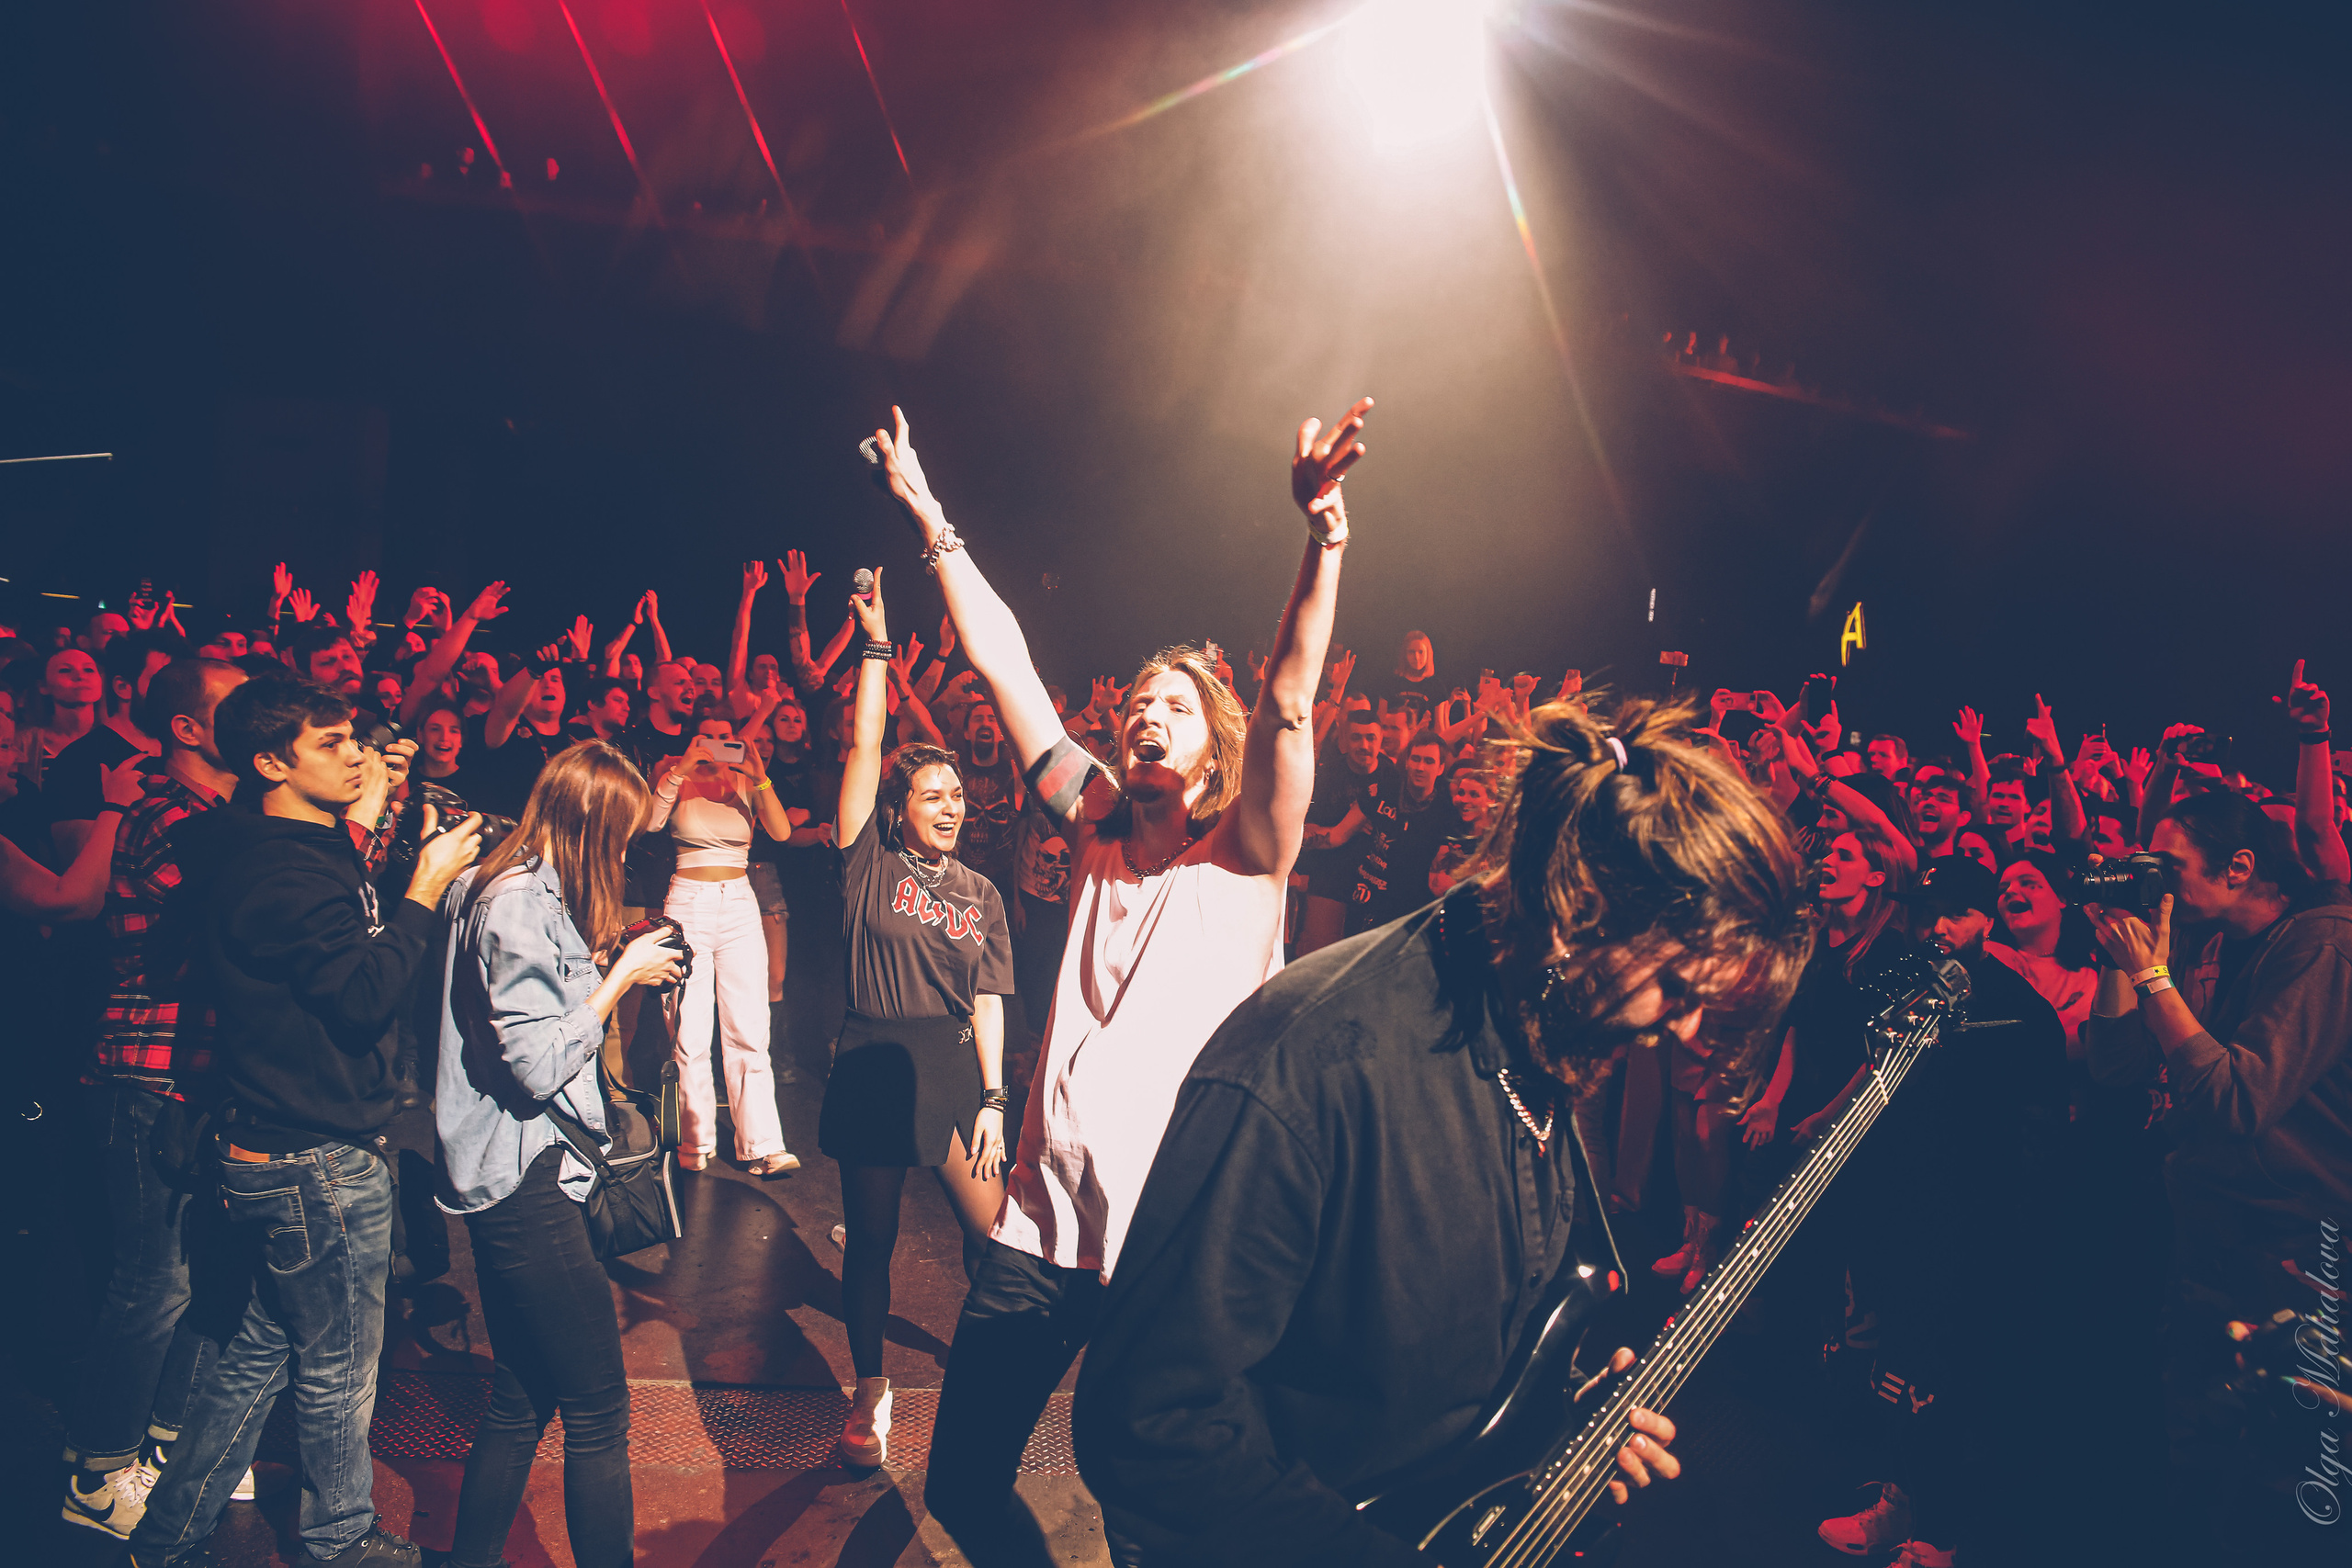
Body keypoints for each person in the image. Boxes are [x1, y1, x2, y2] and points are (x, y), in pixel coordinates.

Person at [1073, 695, 1814, 1564]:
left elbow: (1445, 1350)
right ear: (1584, 909)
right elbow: (1148, 1421)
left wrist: (1562, 1419)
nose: (1680, 1030)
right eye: (1678, 989)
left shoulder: (1541, 1036)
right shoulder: (1308, 1064)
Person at [866, 396, 1368, 1563]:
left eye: (1175, 706)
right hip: (1040, 1233)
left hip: (1174, 1250)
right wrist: (930, 516)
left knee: (1149, 1513)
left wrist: (1323, 535)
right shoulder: (1093, 820)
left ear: (1215, 745)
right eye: (1138, 702)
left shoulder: (1247, 852)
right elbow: (1006, 665)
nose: (1146, 714)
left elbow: (1290, 700)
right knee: (961, 1489)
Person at [126, 672, 482, 1568]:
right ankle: (341, 1540)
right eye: (332, 743)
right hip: (312, 1159)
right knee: (337, 1370)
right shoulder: (280, 871)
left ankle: (165, 1538)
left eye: (354, 736)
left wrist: (388, 843)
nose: (357, 754)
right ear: (270, 763)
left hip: (284, 1147)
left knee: (260, 1353)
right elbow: (362, 999)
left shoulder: (283, 847)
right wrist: (424, 890)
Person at [2081, 790, 2352, 1566]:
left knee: (2275, 1474)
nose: (2156, 882)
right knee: (2197, 1451)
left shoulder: (2324, 944)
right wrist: (2122, 966)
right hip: (2213, 1237)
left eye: (2170, 867)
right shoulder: (2208, 944)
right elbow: (2116, 1065)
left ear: (2239, 867)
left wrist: (2153, 976)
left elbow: (2238, 1099)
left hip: (2291, 1248)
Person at [434, 743, 687, 1568]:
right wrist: (619, 980)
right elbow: (537, 1065)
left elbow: (530, 1015)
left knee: (519, 1398)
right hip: (525, 1176)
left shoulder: (512, 886)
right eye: (621, 837)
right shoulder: (515, 901)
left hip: (517, 1168)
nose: (624, 855)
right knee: (598, 1408)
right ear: (591, 825)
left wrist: (609, 966)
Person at [1815, 856, 2068, 1562]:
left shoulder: (2020, 1008)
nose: (1939, 925)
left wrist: (2012, 1227)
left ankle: (1945, 1534)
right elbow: (1872, 1064)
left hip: (1978, 1224)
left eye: (1956, 912)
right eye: (1931, 912)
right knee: (1900, 1369)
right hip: (1902, 1206)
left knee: (1955, 1380)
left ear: (1987, 919)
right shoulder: (1905, 982)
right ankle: (1900, 1502)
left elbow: (2039, 1132)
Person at [819, 567, 1015, 1469]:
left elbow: (989, 997)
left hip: (950, 1069)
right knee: (873, 1243)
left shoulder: (981, 893)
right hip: (871, 1063)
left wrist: (994, 1098)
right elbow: (865, 745)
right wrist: (875, 646)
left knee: (995, 1243)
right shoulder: (866, 863)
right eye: (933, 796)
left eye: (957, 796)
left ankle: (984, 1377)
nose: (951, 806)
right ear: (896, 811)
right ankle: (869, 1392)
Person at [61, 659, 254, 1540]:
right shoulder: (164, 815)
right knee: (154, 1281)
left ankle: (164, 1450)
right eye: (233, 705)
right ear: (186, 727)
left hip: (194, 1071)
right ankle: (96, 1471)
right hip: (144, 1069)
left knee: (199, 1275)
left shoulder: (219, 812)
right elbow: (236, 921)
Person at [645, 701, 798, 1175]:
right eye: (707, 737)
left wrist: (760, 777)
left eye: (725, 738)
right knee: (689, 1030)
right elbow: (649, 822)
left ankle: (762, 1145)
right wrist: (680, 770)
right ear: (694, 738)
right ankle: (694, 1140)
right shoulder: (671, 771)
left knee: (749, 1028)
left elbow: (782, 832)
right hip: (687, 901)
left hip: (739, 901)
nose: (717, 747)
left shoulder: (746, 779)